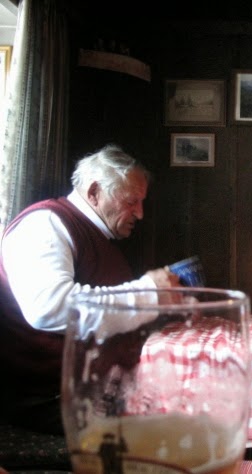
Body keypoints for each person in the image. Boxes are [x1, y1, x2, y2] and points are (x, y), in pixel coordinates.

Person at [0, 144, 182, 434]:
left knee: (194, 396)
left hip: (93, 386)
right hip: (51, 398)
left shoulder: (94, 234)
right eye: (131, 201)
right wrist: (149, 292)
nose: (140, 213)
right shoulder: (44, 224)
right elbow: (49, 309)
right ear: (95, 191)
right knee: (182, 423)